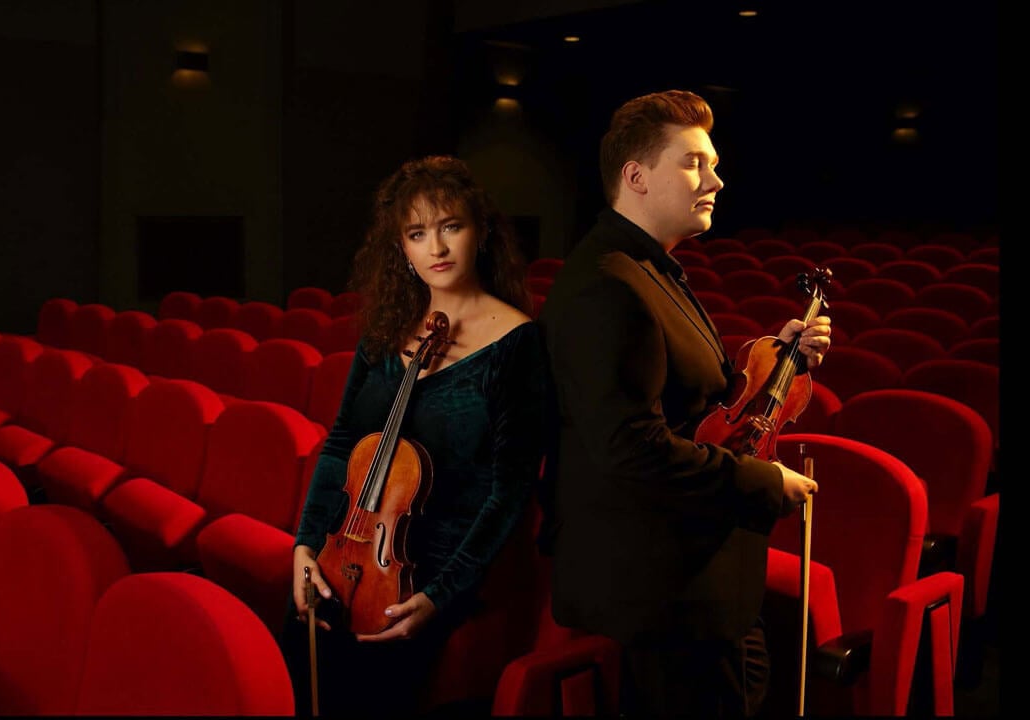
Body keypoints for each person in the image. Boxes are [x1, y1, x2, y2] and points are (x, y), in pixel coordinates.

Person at [536, 89, 832, 717]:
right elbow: (630, 448)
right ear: (636, 177)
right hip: (665, 596)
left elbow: (694, 412)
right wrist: (763, 481)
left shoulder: (646, 270)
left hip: (693, 587)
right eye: (694, 163)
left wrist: (778, 360)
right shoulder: (608, 284)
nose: (716, 181)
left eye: (714, 164)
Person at [285, 155, 547, 716]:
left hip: (443, 566)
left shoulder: (518, 343)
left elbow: (509, 490)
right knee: (302, 644)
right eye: (418, 233)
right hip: (356, 548)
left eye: (451, 227)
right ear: (401, 248)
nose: (437, 248)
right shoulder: (387, 330)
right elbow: (342, 443)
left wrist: (439, 596)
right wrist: (306, 546)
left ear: (481, 232)